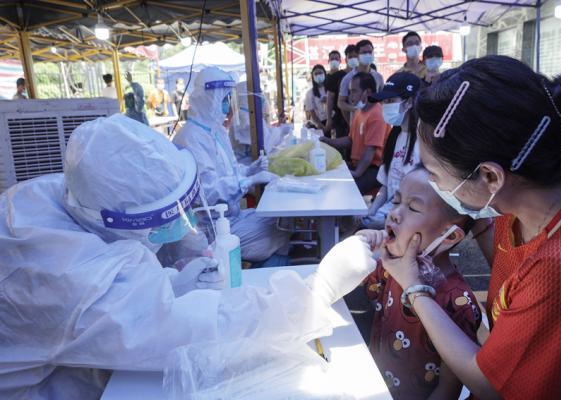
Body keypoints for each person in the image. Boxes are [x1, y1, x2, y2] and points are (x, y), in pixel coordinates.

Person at [0, 112, 379, 399]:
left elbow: (116, 288)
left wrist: (171, 283)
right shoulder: (63, 279)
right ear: (116, 217)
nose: (179, 229)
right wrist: (316, 290)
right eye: (164, 221)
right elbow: (202, 330)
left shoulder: (61, 195)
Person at [384, 55, 561, 399]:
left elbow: (490, 386)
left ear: (490, 176)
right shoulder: (522, 202)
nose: (433, 184)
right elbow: (510, 282)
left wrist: (414, 287)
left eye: (435, 175)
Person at [359, 166, 481, 399]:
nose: (394, 214)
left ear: (450, 236)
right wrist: (360, 246)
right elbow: (350, 282)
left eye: (413, 207)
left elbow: (448, 390)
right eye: (396, 202)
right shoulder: (391, 267)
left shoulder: (458, 302)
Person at [172, 67, 288, 263]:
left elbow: (227, 172)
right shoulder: (190, 137)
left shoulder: (215, 132)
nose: (228, 105)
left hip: (230, 217)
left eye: (228, 99)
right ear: (209, 99)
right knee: (278, 227)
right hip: (210, 230)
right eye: (224, 99)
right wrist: (249, 180)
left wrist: (249, 170)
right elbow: (207, 193)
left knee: (281, 220)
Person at [358, 72, 421, 229]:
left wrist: (385, 222)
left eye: (391, 101)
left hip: (407, 221)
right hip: (388, 214)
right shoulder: (395, 137)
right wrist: (371, 211)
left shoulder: (424, 141)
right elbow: (386, 186)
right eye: (384, 102)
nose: (385, 106)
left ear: (409, 102)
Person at [322, 72, 387, 195]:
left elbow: (370, 150)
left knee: (348, 191)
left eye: (354, 91)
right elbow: (350, 140)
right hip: (358, 164)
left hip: (373, 169)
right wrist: (327, 141)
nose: (350, 95)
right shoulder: (359, 111)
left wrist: (357, 173)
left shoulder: (377, 114)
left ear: (367, 92)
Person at [337, 39, 385, 126]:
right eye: (364, 52)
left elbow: (382, 99)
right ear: (357, 55)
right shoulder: (347, 78)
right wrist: (354, 109)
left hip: (375, 122)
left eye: (370, 52)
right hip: (357, 123)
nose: (367, 55)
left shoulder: (378, 77)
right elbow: (340, 102)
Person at [325, 45, 357, 139]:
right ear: (346, 59)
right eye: (350, 57)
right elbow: (330, 98)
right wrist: (329, 118)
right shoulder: (337, 76)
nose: (353, 59)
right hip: (340, 119)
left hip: (358, 116)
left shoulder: (361, 76)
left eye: (355, 56)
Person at [304, 64, 328, 131]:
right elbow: (312, 113)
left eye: (320, 73)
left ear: (325, 74)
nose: (318, 75)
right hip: (319, 124)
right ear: (313, 76)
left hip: (333, 121)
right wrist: (321, 126)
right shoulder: (310, 93)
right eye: (316, 74)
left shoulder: (330, 89)